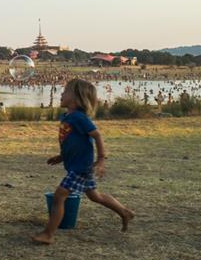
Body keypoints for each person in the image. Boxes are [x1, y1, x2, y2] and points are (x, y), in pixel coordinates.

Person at [32, 79, 134, 245]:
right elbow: (71, 141)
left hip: (81, 168)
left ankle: (48, 234)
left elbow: (97, 135)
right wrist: (61, 156)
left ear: (76, 98)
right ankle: (124, 212)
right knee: (95, 196)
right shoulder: (67, 116)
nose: (61, 94)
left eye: (65, 91)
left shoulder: (79, 117)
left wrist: (101, 159)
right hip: (77, 165)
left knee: (59, 196)